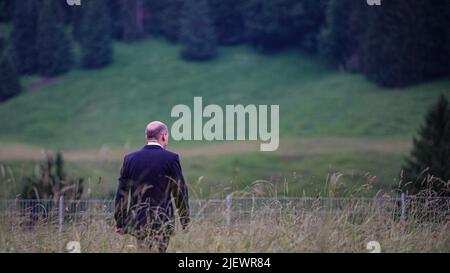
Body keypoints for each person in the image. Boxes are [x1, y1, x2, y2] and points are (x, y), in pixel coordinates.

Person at [114, 121, 190, 252]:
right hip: (162, 221)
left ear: (147, 137)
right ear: (164, 136)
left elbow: (122, 192)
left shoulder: (130, 159)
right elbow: (180, 192)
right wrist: (185, 221)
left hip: (138, 221)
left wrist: (120, 222)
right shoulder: (171, 158)